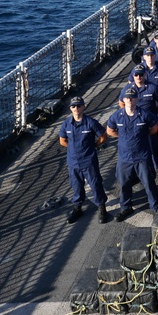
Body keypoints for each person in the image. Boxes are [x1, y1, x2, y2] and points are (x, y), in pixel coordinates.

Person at [106, 87, 158, 221]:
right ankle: (125, 207)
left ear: (137, 99)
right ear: (123, 100)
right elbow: (110, 130)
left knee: (148, 182)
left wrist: (142, 137)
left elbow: (154, 128)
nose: (130, 100)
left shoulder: (145, 115)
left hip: (142, 155)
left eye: (132, 97)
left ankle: (156, 206)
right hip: (124, 157)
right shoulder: (117, 116)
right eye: (127, 98)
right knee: (123, 183)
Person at [58, 96, 109, 224]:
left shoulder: (90, 122)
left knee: (95, 183)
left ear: (83, 107)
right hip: (73, 162)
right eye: (73, 106)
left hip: (88, 160)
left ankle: (102, 207)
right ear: (70, 108)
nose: (76, 108)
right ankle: (77, 207)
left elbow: (103, 135)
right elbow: (62, 141)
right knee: (76, 185)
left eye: (79, 106)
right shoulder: (66, 124)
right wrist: (74, 148)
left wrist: (95, 146)